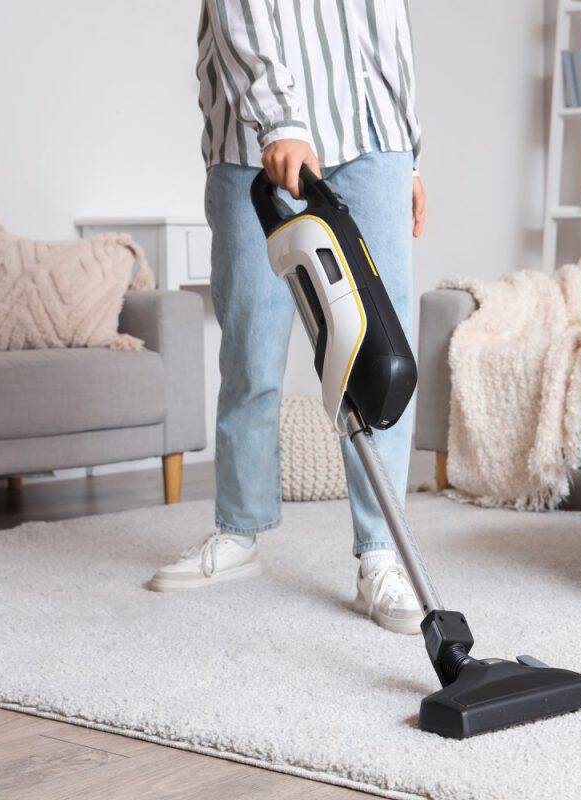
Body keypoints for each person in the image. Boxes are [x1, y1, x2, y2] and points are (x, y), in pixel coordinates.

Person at [150, 0, 428, 635]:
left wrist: (408, 153)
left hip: (372, 136)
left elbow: (388, 29)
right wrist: (281, 122)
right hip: (255, 139)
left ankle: (382, 552)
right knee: (250, 345)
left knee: (380, 349)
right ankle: (239, 529)